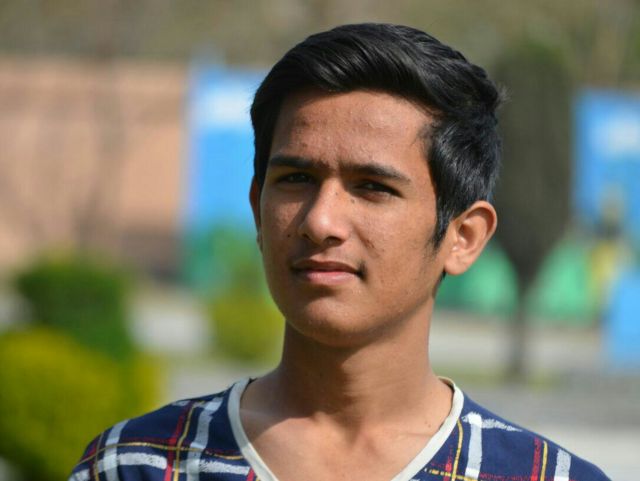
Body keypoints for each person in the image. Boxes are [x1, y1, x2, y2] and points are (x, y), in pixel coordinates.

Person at [69, 23, 609, 481]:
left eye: (372, 187)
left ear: (463, 237)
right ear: (257, 208)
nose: (320, 221)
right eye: (296, 178)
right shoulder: (137, 465)